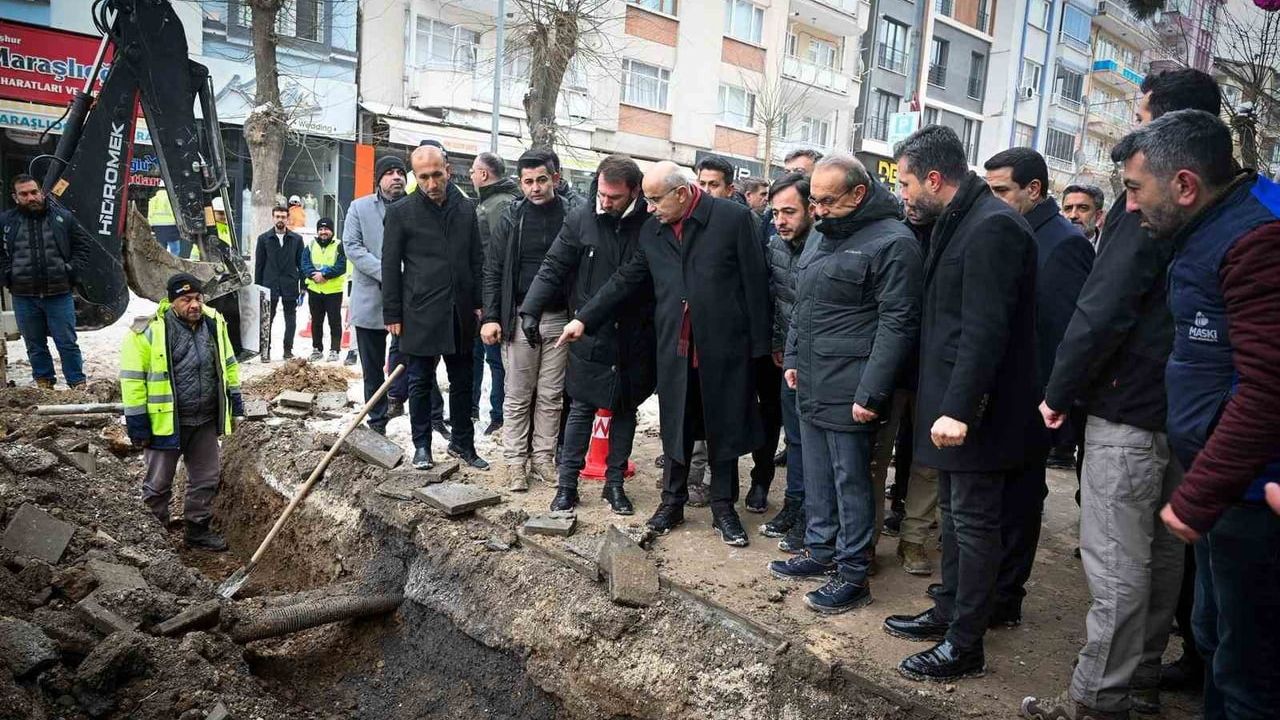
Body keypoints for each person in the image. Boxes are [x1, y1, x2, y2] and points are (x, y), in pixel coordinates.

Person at [1021, 68, 1222, 720]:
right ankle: (1136, 687)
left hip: (1129, 409)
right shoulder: (1220, 206)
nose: (1128, 196)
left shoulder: (1150, 206)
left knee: (1117, 564)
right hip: (1182, 414)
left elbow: (1102, 308)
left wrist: (1059, 390)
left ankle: (1096, 702)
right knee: (1160, 557)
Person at [1111, 110, 1280, 720]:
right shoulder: (1212, 227)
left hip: (1254, 495)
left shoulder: (1256, 237)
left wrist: (1196, 497)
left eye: (1135, 190)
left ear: (1184, 185)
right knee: (1214, 639)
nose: (1129, 207)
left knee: (1248, 673)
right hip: (1225, 484)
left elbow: (1267, 388)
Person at [879, 125, 1040, 683]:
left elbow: (984, 331)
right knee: (953, 517)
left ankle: (964, 644)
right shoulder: (960, 218)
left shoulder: (993, 227)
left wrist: (960, 409)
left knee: (972, 527)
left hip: (976, 416)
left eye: (904, 183)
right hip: (950, 406)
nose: (901, 194)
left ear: (934, 178)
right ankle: (948, 611)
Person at [557, 161, 771, 546]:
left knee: (722, 426)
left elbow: (755, 284)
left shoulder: (732, 219)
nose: (649, 208)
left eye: (656, 199)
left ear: (683, 193)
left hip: (724, 348)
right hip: (674, 346)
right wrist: (584, 319)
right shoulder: (654, 231)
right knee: (676, 426)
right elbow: (627, 277)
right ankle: (672, 502)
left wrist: (758, 350)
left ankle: (724, 508)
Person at [767, 155, 922, 614]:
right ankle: (819, 550)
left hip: (853, 384)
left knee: (851, 479)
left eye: (827, 201)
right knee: (816, 470)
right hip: (812, 377)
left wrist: (871, 392)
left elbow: (898, 323)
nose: (817, 210)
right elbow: (803, 303)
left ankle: (853, 573)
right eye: (813, 200)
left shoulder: (894, 242)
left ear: (858, 194)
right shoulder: (822, 234)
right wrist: (793, 358)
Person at [985, 147, 1094, 623]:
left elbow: (1061, 332)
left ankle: (1006, 597)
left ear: (1033, 190)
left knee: (1021, 500)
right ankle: (984, 589)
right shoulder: (1015, 230)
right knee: (994, 502)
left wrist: (1051, 403)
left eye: (1001, 191)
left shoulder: (1064, 243)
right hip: (1002, 393)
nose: (993, 200)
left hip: (1033, 400)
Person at [522, 155, 656, 516]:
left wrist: (585, 318)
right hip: (588, 334)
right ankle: (567, 486)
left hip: (632, 332)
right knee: (580, 406)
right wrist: (530, 309)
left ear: (635, 191)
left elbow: (628, 279)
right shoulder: (582, 216)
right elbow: (554, 264)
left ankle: (615, 485)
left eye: (614, 196)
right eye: (601, 193)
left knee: (625, 408)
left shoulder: (650, 222)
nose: (605, 202)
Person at [383, 144, 489, 471]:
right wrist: (393, 314)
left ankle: (463, 444)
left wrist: (480, 304)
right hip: (420, 313)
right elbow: (390, 265)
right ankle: (422, 445)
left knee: (463, 382)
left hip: (459, 313)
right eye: (423, 177)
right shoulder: (402, 212)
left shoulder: (466, 208)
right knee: (420, 382)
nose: (431, 183)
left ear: (448, 170)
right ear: (416, 176)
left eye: (437, 174)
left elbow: (476, 259)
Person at [120, 273, 243, 551]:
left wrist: (235, 400)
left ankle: (197, 530)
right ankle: (155, 538)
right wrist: (137, 422)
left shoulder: (214, 324)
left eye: (198, 298)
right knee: (158, 484)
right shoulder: (149, 330)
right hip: (165, 422)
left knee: (206, 479)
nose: (194, 305)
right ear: (172, 301)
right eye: (186, 299)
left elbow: (229, 364)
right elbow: (132, 379)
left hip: (205, 421)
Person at [481, 150, 578, 491]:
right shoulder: (511, 218)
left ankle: (543, 460)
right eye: (528, 182)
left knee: (552, 396)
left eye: (541, 180)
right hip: (520, 317)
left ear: (555, 177)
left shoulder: (573, 215)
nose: (535, 188)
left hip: (561, 320)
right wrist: (492, 316)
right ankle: (514, 463)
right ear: (520, 183)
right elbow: (493, 270)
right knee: (518, 395)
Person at [696, 155, 781, 513]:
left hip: (762, 336)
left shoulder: (746, 220)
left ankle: (760, 481)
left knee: (766, 411)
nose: (705, 190)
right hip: (727, 339)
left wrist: (763, 340)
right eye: (701, 183)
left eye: (713, 184)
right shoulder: (696, 222)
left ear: (731, 188)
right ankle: (714, 484)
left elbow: (756, 281)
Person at [760, 172, 813, 549]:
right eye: (776, 212)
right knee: (794, 439)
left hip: (824, 361)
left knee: (816, 445)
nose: (780, 220)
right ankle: (794, 505)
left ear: (812, 209)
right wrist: (779, 343)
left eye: (789, 212)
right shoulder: (775, 245)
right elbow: (779, 300)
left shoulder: (826, 245)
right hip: (789, 359)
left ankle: (814, 515)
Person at [0, 173, 90, 389]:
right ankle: (44, 384)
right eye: (24, 194)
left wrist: (70, 271)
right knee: (34, 344)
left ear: (41, 192)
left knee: (67, 343)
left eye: (34, 192)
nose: (31, 198)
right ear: (15, 197)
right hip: (24, 296)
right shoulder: (6, 222)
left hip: (59, 294)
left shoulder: (63, 218)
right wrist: (8, 275)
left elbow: (83, 247)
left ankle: (77, 384)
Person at [470, 151, 519, 436]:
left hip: (493, 300)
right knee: (479, 355)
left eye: (475, 172)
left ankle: (499, 415)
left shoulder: (499, 205)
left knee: (496, 360)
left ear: (485, 174)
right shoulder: (490, 202)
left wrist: (488, 303)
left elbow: (496, 258)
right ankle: (475, 410)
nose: (472, 177)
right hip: (484, 298)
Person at [254, 206, 305, 361]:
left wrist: (303, 286)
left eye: (283, 217)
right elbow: (259, 265)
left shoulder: (296, 239)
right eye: (277, 216)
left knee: (291, 319)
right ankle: (265, 351)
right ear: (273, 218)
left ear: (288, 218)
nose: (280, 219)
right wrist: (258, 287)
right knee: (267, 318)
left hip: (290, 282)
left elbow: (301, 264)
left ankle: (288, 350)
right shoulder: (264, 239)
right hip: (270, 283)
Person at [301, 217, 347, 362]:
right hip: (315, 290)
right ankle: (317, 349)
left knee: (334, 321)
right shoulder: (310, 245)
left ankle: (334, 350)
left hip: (333, 291)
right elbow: (305, 263)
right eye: (320, 229)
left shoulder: (339, 245)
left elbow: (342, 266)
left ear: (332, 231)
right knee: (316, 321)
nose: (323, 232)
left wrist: (325, 275)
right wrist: (314, 275)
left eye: (326, 229)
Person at [1061, 184, 1105, 252]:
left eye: (1083, 208)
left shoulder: (1108, 252)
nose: (1073, 215)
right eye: (1068, 208)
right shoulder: (1044, 244)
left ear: (1098, 215)